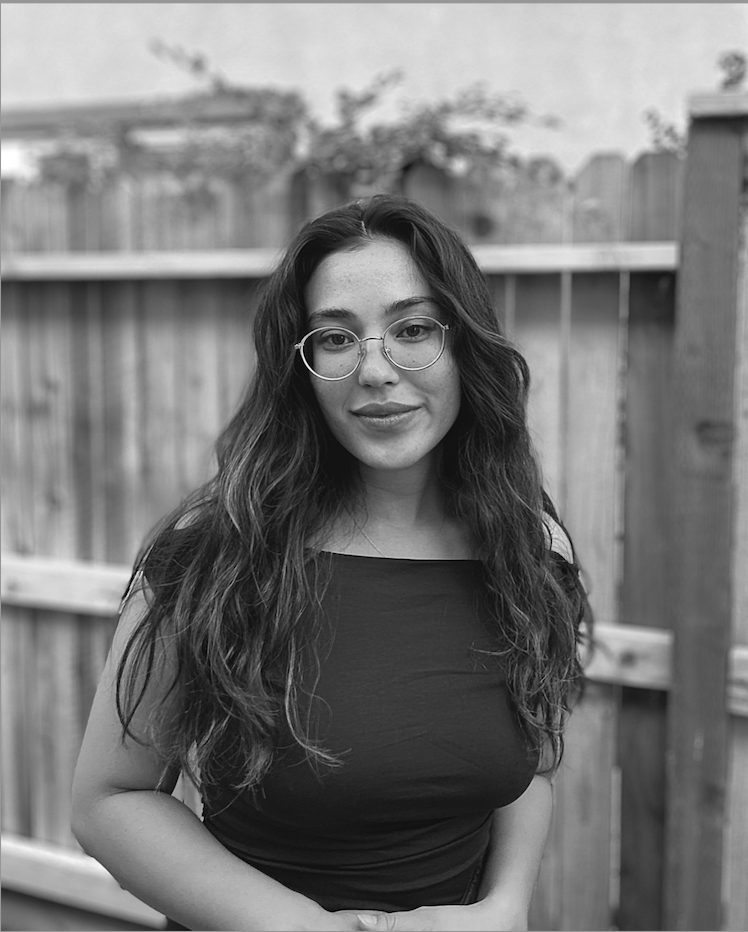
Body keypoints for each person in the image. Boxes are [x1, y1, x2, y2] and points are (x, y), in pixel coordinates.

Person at [72, 194, 589, 932]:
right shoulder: (216, 553)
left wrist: (505, 907)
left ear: (466, 344)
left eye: (413, 329)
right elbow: (110, 802)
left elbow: (528, 768)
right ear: (303, 369)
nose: (374, 371)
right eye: (336, 339)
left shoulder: (531, 551)